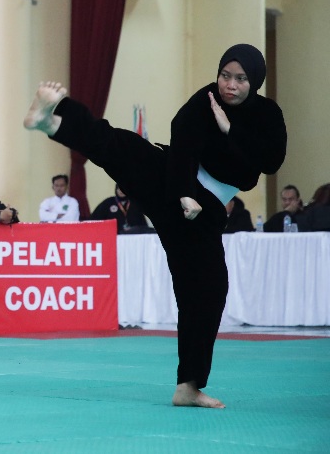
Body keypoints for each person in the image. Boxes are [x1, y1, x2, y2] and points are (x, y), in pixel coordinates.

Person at [23, 43, 286, 408]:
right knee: (121, 145)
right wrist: (182, 193)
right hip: (177, 183)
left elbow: (270, 161)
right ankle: (53, 120)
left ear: (254, 82)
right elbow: (182, 135)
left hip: (205, 211)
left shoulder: (267, 114)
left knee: (207, 292)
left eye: (241, 79)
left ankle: (188, 385)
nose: (230, 85)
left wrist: (229, 130)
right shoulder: (206, 98)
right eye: (226, 75)